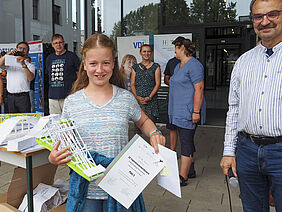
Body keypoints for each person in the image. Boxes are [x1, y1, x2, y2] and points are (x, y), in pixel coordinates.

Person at [48, 33, 166, 212]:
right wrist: (54, 157)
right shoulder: (72, 102)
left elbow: (144, 121)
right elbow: (63, 141)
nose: (99, 69)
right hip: (87, 192)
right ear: (85, 65)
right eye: (93, 63)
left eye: (106, 63)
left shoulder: (125, 98)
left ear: (113, 64)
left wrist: (154, 132)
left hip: (122, 187)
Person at [220, 0, 282, 211]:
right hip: (247, 151)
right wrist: (229, 151)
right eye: (258, 16)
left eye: (272, 14)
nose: (265, 21)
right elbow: (234, 108)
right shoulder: (244, 62)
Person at [168, 38, 205, 186]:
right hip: (177, 110)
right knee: (187, 140)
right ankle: (191, 170)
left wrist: (196, 111)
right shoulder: (178, 66)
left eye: (176, 48)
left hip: (188, 111)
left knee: (185, 142)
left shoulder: (194, 65)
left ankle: (182, 176)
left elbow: (199, 88)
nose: (174, 51)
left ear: (182, 47)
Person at [45, 34, 80, 114]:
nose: (58, 45)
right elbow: (48, 74)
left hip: (68, 96)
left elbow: (79, 75)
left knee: (69, 121)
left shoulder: (72, 56)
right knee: (55, 121)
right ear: (52, 45)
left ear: (64, 43)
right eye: (56, 43)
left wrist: (76, 91)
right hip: (53, 96)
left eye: (60, 42)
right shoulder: (49, 58)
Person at [0, 41, 35, 113]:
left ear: (27, 52)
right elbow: (0, 63)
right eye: (20, 48)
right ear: (16, 49)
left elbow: (30, 78)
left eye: (24, 49)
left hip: (23, 97)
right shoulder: (10, 62)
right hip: (10, 97)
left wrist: (23, 64)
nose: (22, 50)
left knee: (24, 120)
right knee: (12, 120)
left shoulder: (30, 65)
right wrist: (8, 54)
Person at [131, 44, 161, 122]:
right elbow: (132, 84)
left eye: (148, 51)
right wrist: (137, 96)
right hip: (139, 101)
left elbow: (158, 84)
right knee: (137, 128)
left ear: (151, 53)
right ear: (140, 53)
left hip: (151, 101)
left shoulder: (156, 67)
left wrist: (149, 97)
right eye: (144, 51)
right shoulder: (135, 67)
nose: (146, 53)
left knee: (151, 126)